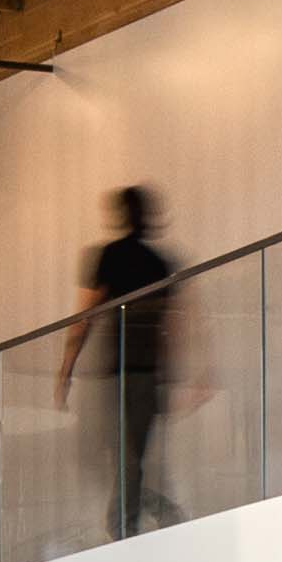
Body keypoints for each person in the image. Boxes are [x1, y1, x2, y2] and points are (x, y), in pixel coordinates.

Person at [52, 182, 177, 543]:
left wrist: (66, 370)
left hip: (122, 374)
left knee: (123, 456)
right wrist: (171, 377)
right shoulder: (159, 262)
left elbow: (84, 317)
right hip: (149, 374)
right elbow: (169, 324)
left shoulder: (110, 256)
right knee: (130, 456)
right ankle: (143, 518)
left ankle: (125, 528)